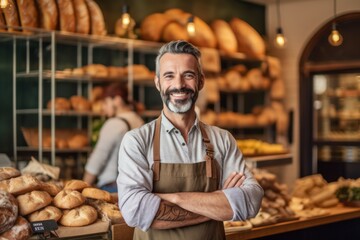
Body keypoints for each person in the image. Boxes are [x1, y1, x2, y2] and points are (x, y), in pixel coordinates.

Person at [117, 40, 263, 240]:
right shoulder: (137, 141)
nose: (179, 85)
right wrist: (218, 203)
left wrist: (173, 198)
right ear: (158, 82)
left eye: (188, 75)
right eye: (169, 76)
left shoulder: (222, 140)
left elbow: (251, 202)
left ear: (201, 81)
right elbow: (135, 212)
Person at [83, 82, 144, 193]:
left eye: (106, 102)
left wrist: (83, 186)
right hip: (135, 186)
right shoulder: (139, 120)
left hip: (112, 187)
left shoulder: (115, 123)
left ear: (117, 100)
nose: (103, 108)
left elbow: (98, 158)